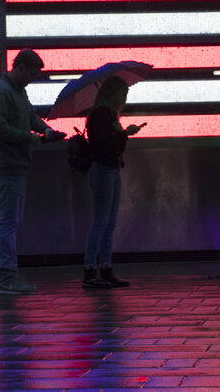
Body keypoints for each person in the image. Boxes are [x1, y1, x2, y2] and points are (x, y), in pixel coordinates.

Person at [0, 49, 65, 295]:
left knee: (10, 221)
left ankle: (9, 276)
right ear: (19, 68)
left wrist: (46, 131)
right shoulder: (1, 92)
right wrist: (32, 137)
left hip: (15, 165)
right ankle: (7, 277)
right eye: (31, 74)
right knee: (8, 222)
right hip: (8, 166)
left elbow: (30, 116)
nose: (31, 79)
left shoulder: (16, 90)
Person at [82, 76, 143, 289]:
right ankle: (91, 271)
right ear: (113, 94)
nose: (125, 98)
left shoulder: (109, 115)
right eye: (123, 94)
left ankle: (104, 269)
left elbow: (112, 145)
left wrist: (122, 133)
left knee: (108, 223)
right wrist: (124, 133)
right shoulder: (101, 115)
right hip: (103, 169)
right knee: (102, 222)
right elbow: (103, 145)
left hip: (110, 169)